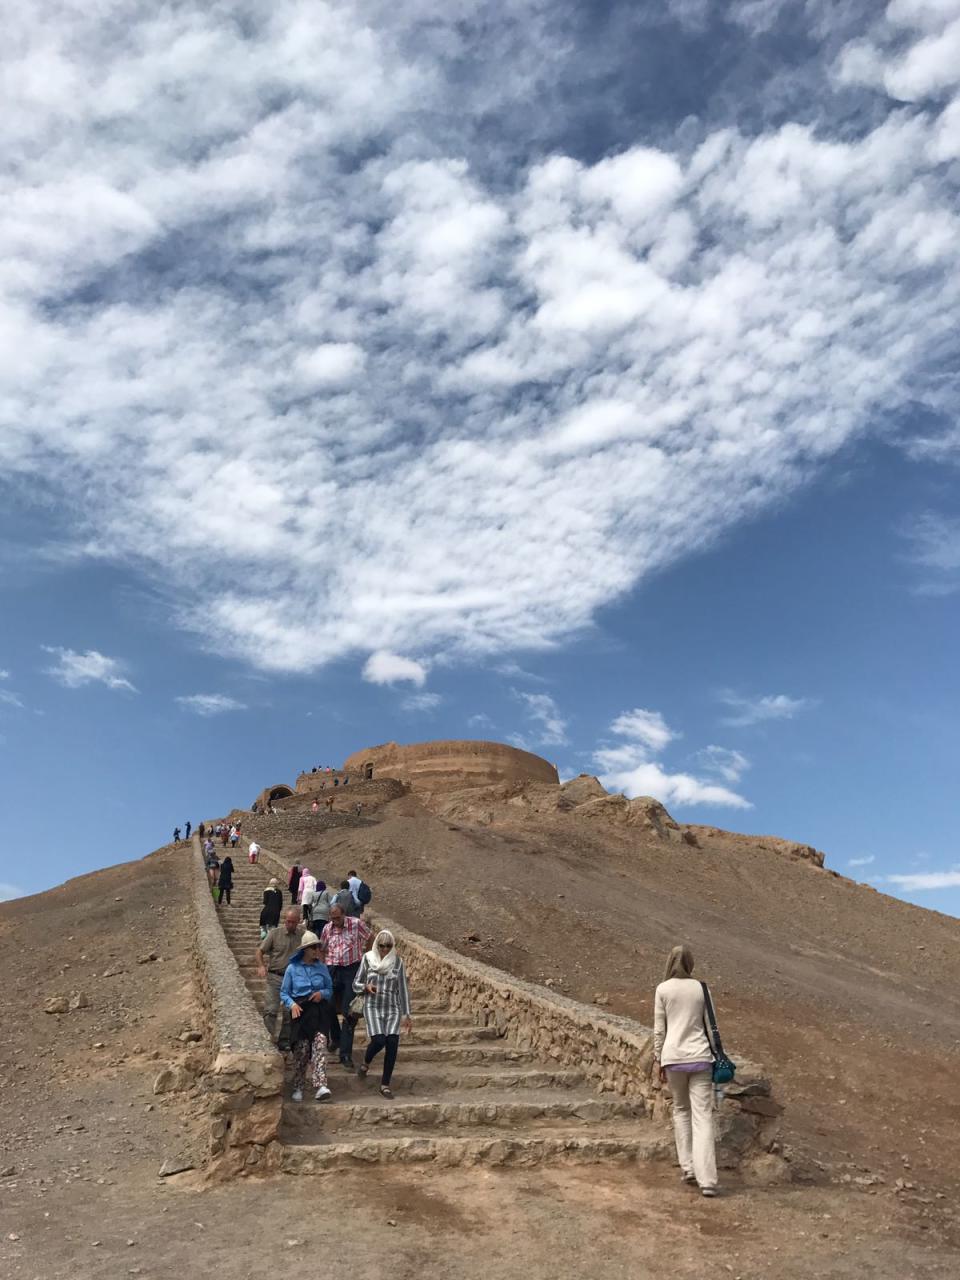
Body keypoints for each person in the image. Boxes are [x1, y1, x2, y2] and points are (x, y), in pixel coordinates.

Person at [653, 945, 719, 1198]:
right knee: (703, 1117)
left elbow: (659, 1028)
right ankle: (708, 1180)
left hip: (673, 1059)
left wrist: (657, 1059)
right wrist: (717, 1055)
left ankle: (688, 1167)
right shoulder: (701, 988)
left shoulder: (663, 989)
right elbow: (712, 1027)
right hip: (701, 1058)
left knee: (681, 1111)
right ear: (691, 963)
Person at [353, 930, 412, 1098]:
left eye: (388, 946)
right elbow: (356, 983)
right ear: (376, 945)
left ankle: (385, 1084)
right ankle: (366, 1062)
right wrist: (366, 987)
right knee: (379, 1040)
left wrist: (407, 1014)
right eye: (381, 946)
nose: (385, 950)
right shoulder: (367, 959)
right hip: (373, 1005)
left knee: (392, 1042)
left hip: (392, 1007)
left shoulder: (398, 963)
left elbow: (402, 990)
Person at [280, 931, 334, 1103]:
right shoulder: (292, 968)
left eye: (317, 947)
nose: (315, 950)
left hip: (318, 1011)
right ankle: (298, 1085)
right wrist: (292, 1004)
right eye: (312, 947)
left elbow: (330, 989)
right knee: (302, 1050)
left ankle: (321, 1085)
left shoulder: (322, 968)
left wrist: (322, 994)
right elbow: (284, 992)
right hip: (301, 1012)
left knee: (320, 1043)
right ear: (304, 949)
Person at [319, 906, 372, 1070]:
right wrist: (323, 966)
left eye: (337, 918)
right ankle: (336, 1038)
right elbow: (322, 948)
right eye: (332, 918)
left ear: (344, 915)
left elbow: (371, 938)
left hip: (351, 969)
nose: (335, 921)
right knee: (327, 1006)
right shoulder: (328, 928)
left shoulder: (356, 924)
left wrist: (366, 957)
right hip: (332, 969)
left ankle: (346, 1054)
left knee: (349, 1011)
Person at [256, 911, 305, 1051]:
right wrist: (261, 966)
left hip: (293, 979)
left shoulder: (302, 936)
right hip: (275, 977)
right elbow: (260, 951)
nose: (290, 924)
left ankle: (284, 1040)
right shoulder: (274, 934)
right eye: (288, 921)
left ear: (298, 922)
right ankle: (267, 1039)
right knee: (271, 1010)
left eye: (293, 922)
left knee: (289, 1012)